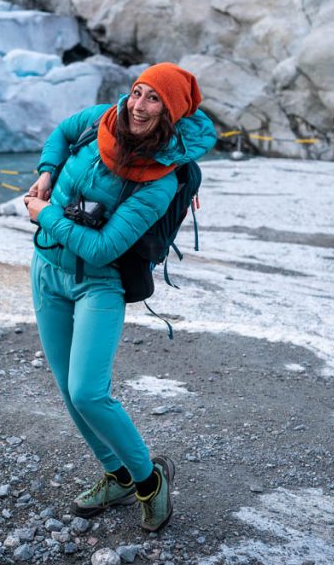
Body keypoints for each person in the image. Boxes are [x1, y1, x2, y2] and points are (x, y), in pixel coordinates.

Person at [23, 62, 216, 532]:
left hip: (99, 283)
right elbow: (60, 133)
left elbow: (103, 246)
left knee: (89, 392)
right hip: (47, 273)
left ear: (170, 112)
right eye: (137, 92)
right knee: (70, 395)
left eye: (154, 99)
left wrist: (42, 213)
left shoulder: (161, 179)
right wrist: (47, 174)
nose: (138, 105)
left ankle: (149, 481)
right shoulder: (101, 121)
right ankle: (118, 476)